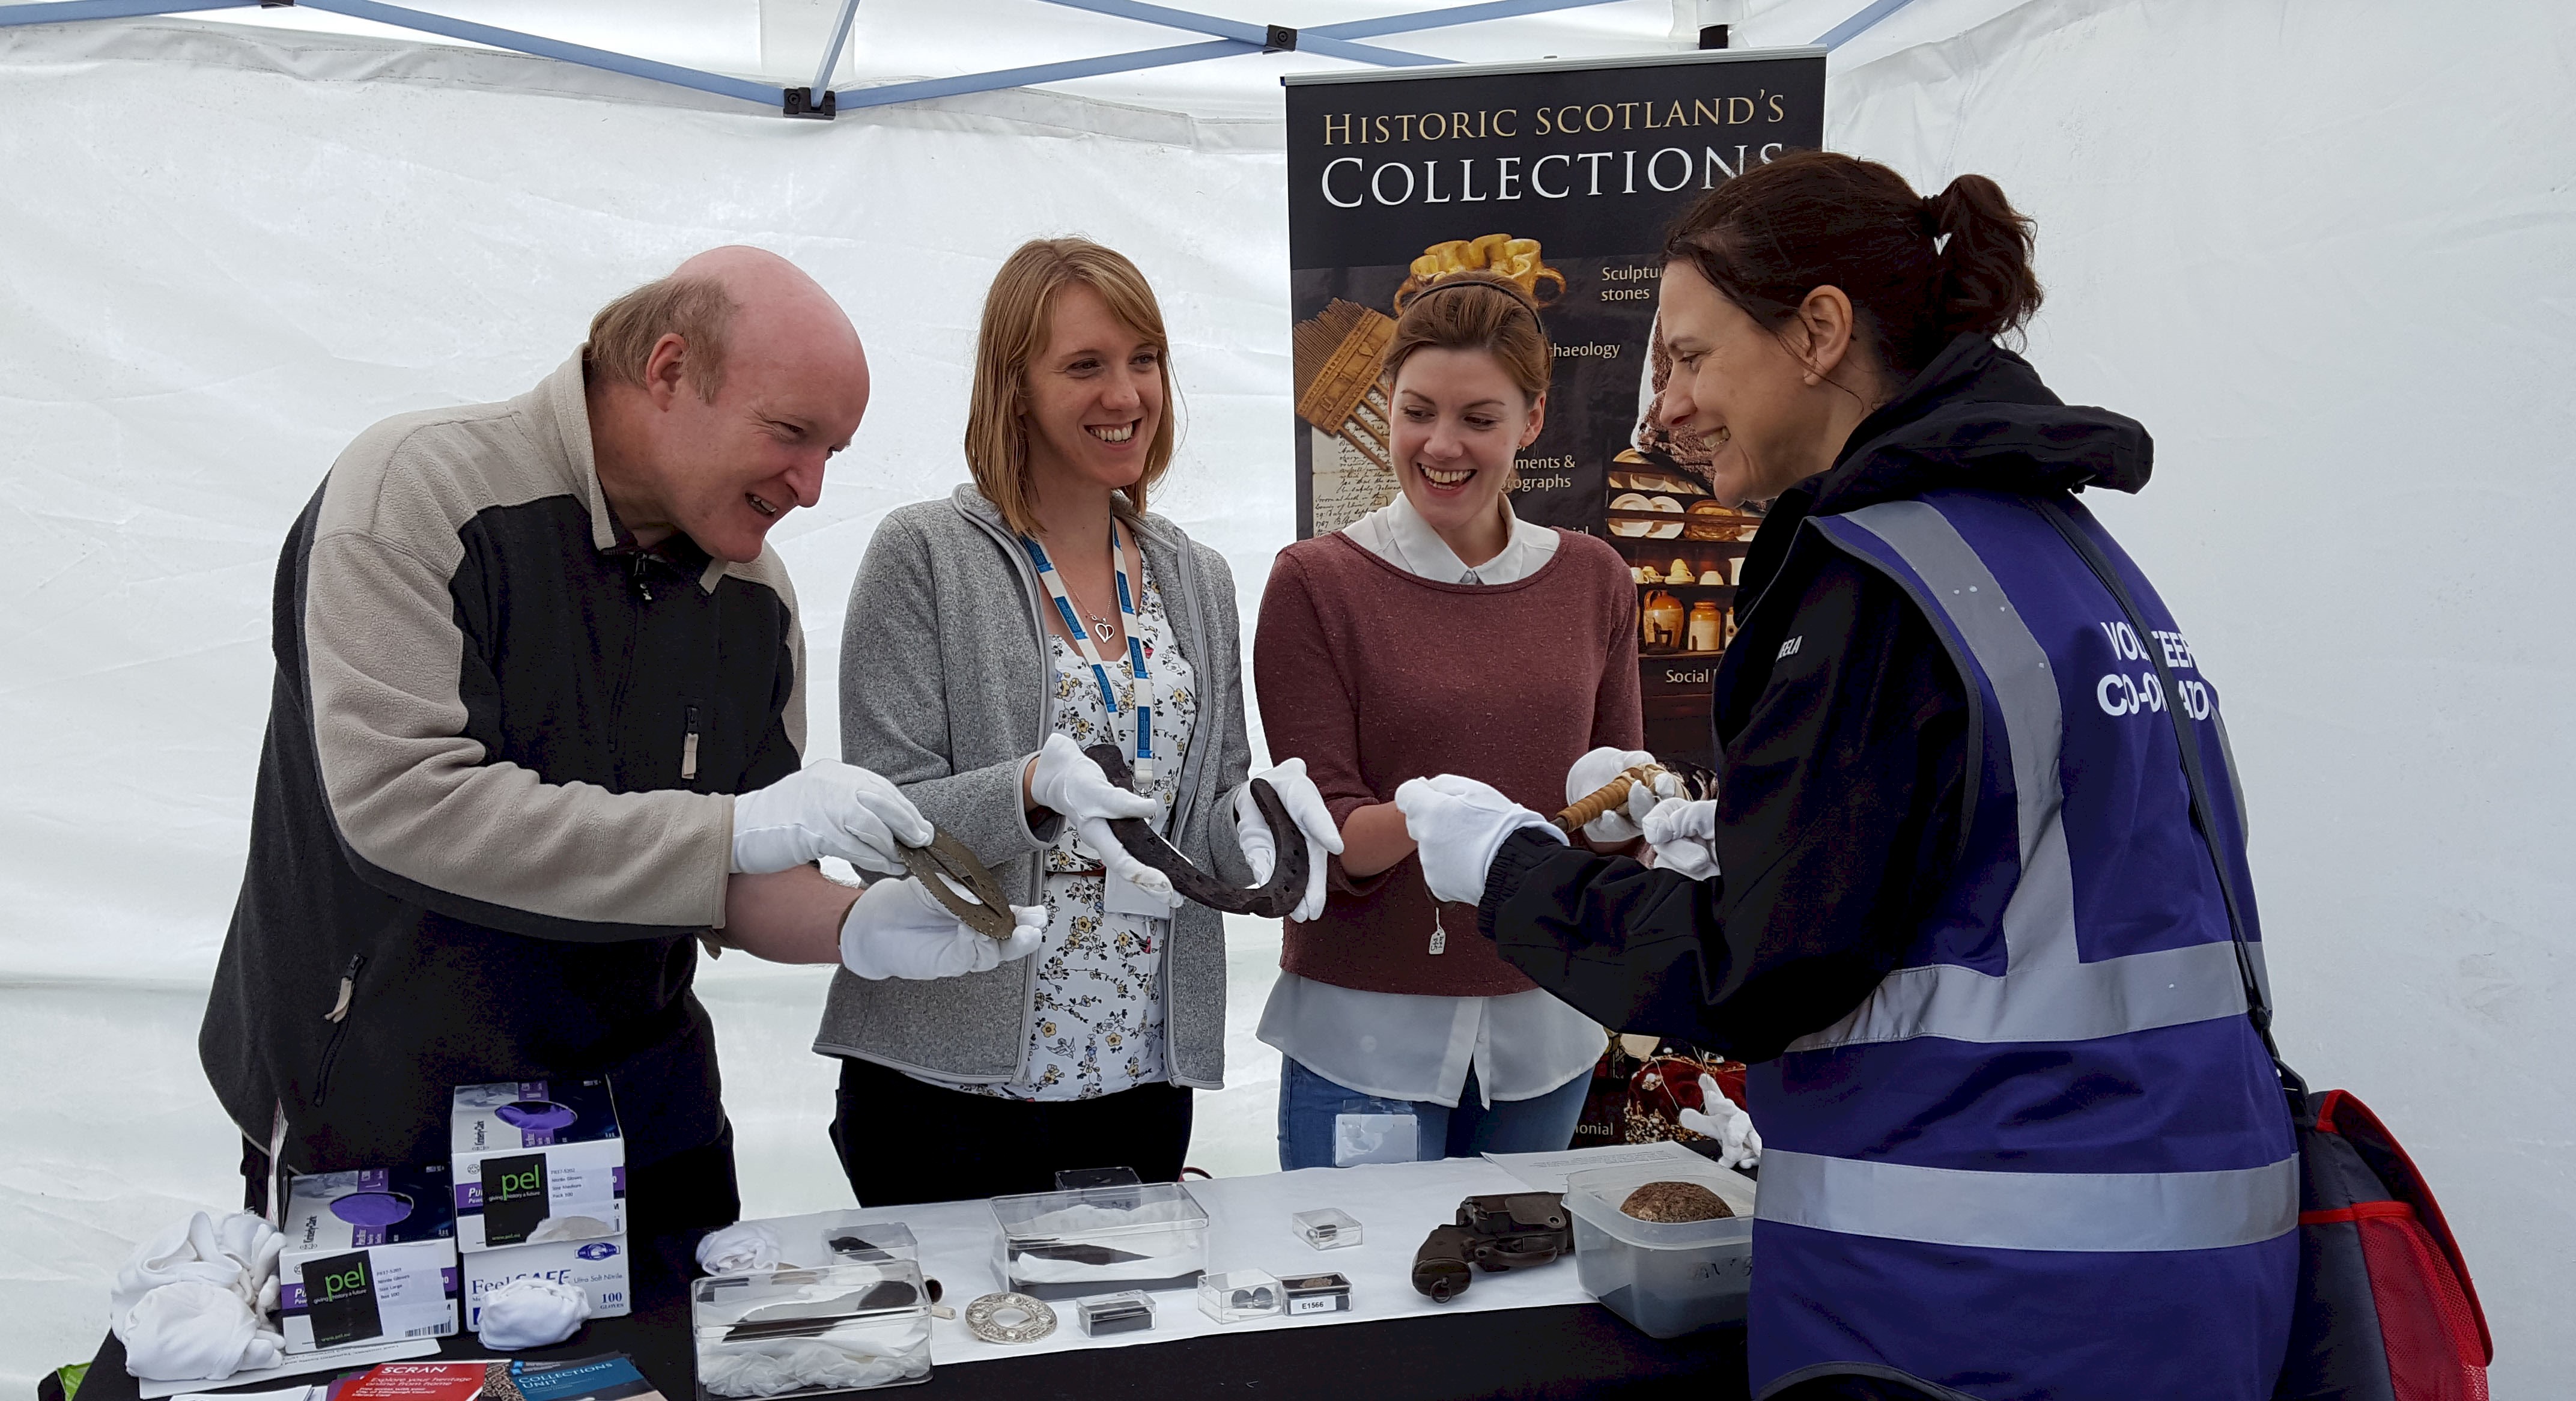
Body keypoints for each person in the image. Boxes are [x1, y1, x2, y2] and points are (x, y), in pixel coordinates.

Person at [1396, 152, 2297, 1400]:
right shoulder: (2066, 554)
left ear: (1818, 331)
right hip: (2191, 1270)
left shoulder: (1876, 579)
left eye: (1694, 356)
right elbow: (2010, 882)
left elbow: (1753, 972)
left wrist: (1506, 869)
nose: (1663, 411)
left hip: (1977, 1295)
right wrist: (1730, 830)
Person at [198, 248, 1033, 1286]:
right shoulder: (420, 490)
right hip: (386, 1127)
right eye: (790, 434)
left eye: (834, 451)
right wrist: (735, 833)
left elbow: (740, 878)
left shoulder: (753, 599)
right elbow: (405, 806)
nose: (812, 488)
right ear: (670, 370)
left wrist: (853, 927)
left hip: (643, 1128)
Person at [815, 237, 1338, 1206]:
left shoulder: (1195, 575)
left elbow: (1201, 810)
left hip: (1139, 1072)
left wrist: (1258, 817)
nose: (1127, 395)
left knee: (1120, 1354)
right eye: (1085, 365)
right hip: (949, 1086)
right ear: (1013, 387)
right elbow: (879, 837)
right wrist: (1029, 791)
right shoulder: (925, 555)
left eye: (1144, 361)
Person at [1252, 273, 1646, 1169]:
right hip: (1365, 1034)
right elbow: (1333, 834)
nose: (1442, 445)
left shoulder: (1595, 581)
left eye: (1479, 418)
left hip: (1548, 1029)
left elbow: (1612, 795)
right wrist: (1431, 816)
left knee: (1520, 1298)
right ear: (1386, 405)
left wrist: (1646, 813)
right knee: (1373, 1304)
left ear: (1532, 421)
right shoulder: (1318, 585)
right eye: (1418, 411)